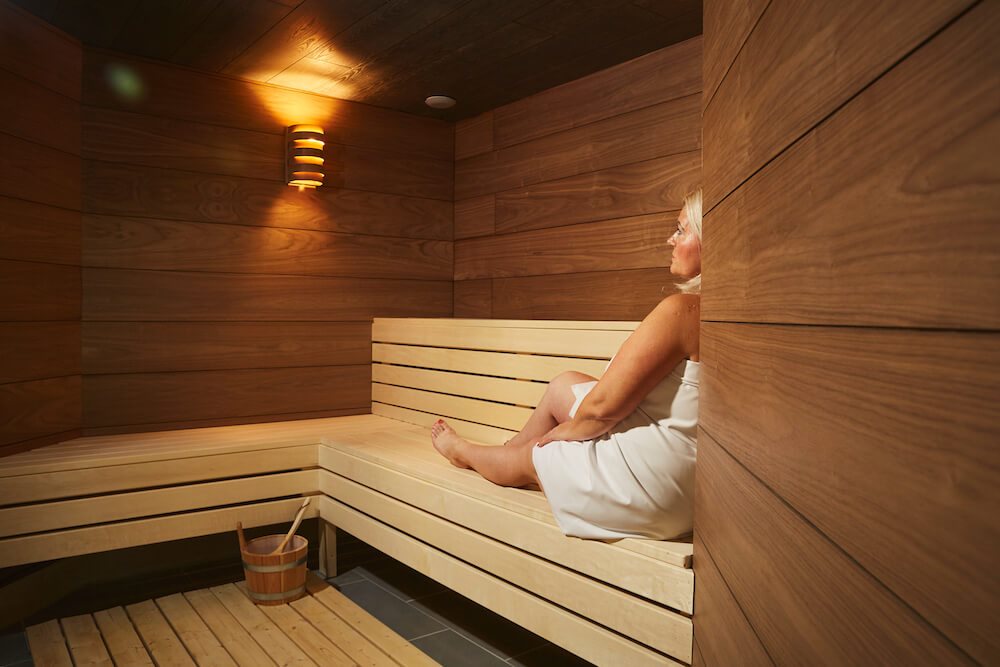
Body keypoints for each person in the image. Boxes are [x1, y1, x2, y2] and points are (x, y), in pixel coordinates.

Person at [431, 190, 703, 540]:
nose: (671, 239)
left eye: (681, 230)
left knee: (536, 453)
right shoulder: (724, 313)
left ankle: (466, 453)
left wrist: (562, 434)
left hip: (651, 484)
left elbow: (602, 408)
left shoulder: (684, 310)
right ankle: (506, 455)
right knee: (564, 384)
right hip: (689, 477)